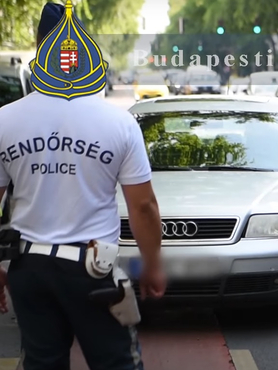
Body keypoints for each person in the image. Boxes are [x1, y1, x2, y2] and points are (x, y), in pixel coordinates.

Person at [0, 2, 166, 369]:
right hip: (92, 270)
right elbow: (143, 206)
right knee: (117, 363)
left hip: (29, 268)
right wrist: (153, 264)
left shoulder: (5, 120)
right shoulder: (117, 123)